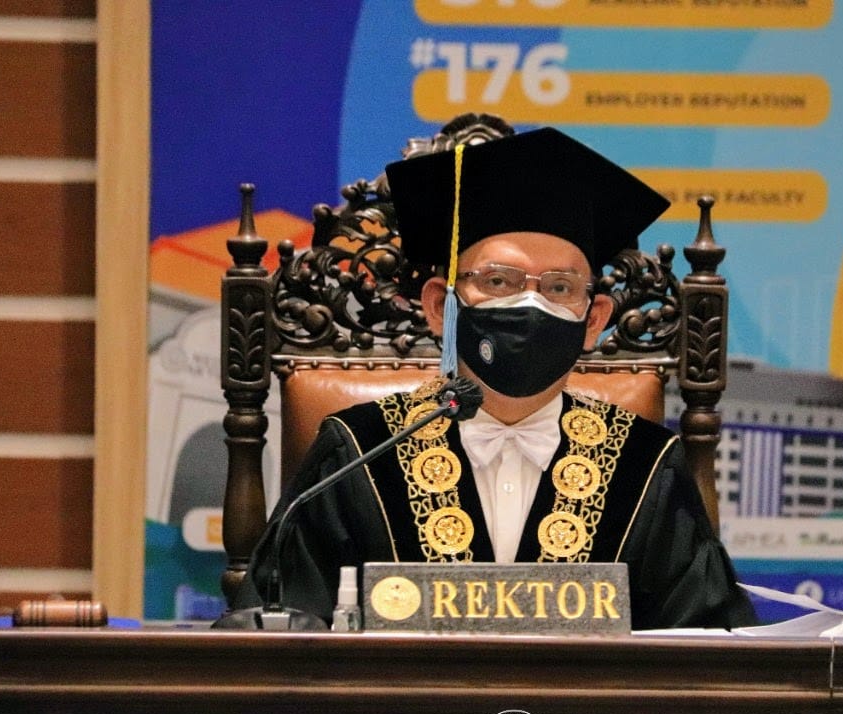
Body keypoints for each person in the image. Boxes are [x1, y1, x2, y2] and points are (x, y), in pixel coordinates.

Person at [232, 127, 756, 630]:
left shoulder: (646, 467)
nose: (529, 304)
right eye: (499, 281)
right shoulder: (358, 455)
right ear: (438, 307)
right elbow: (281, 638)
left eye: (559, 288)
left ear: (594, 320)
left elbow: (708, 651)